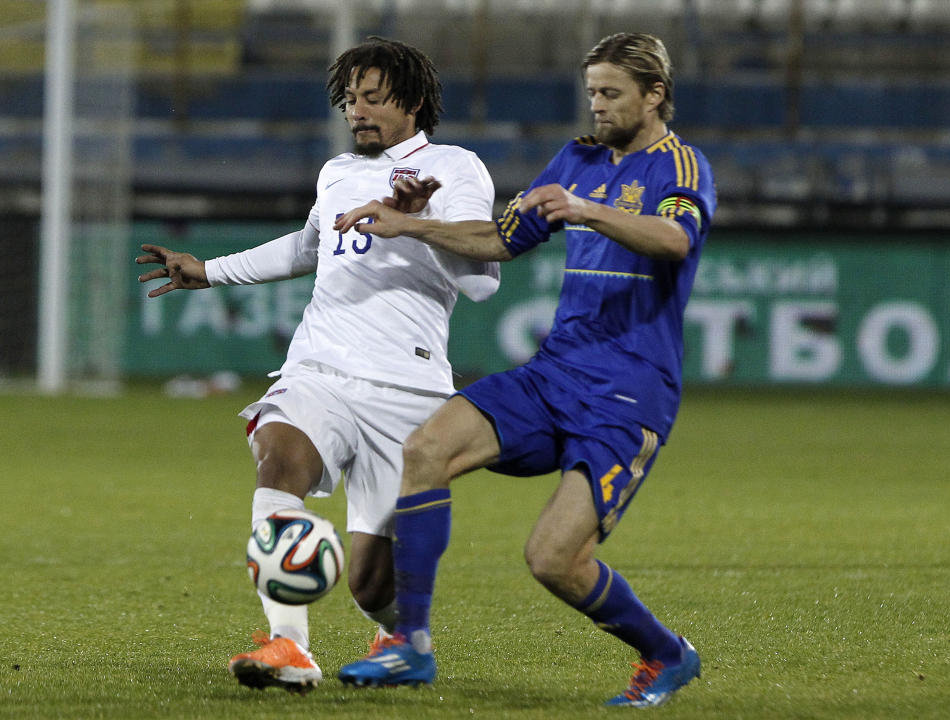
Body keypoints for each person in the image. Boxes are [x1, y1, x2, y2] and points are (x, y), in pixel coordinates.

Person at [333, 32, 716, 707]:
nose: (596, 105)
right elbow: (502, 239)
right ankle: (409, 647)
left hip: (627, 395)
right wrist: (411, 226)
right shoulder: (577, 158)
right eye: (592, 91)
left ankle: (665, 653)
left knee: (553, 560)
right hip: (554, 373)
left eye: (611, 93)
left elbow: (675, 239)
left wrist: (589, 209)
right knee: (424, 449)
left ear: (654, 95)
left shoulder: (680, 167)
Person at [136, 37, 499, 693]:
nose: (356, 111)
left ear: (413, 102)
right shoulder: (337, 173)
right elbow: (308, 246)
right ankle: (289, 646)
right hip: (320, 366)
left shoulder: (455, 167)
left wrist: (413, 222)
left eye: (372, 99)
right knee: (279, 457)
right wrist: (209, 272)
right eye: (350, 99)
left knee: (370, 583)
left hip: (408, 389)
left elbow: (483, 280)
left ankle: (401, 638)